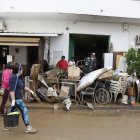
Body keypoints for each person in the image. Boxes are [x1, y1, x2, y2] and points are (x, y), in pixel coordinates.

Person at [9, 63, 36, 133]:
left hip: (17, 98)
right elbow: (11, 90)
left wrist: (30, 90)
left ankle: (7, 126)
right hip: (16, 99)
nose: (23, 70)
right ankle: (28, 127)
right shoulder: (13, 78)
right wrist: (13, 100)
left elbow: (23, 87)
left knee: (12, 111)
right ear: (19, 70)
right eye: (22, 69)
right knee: (24, 110)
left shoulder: (19, 77)